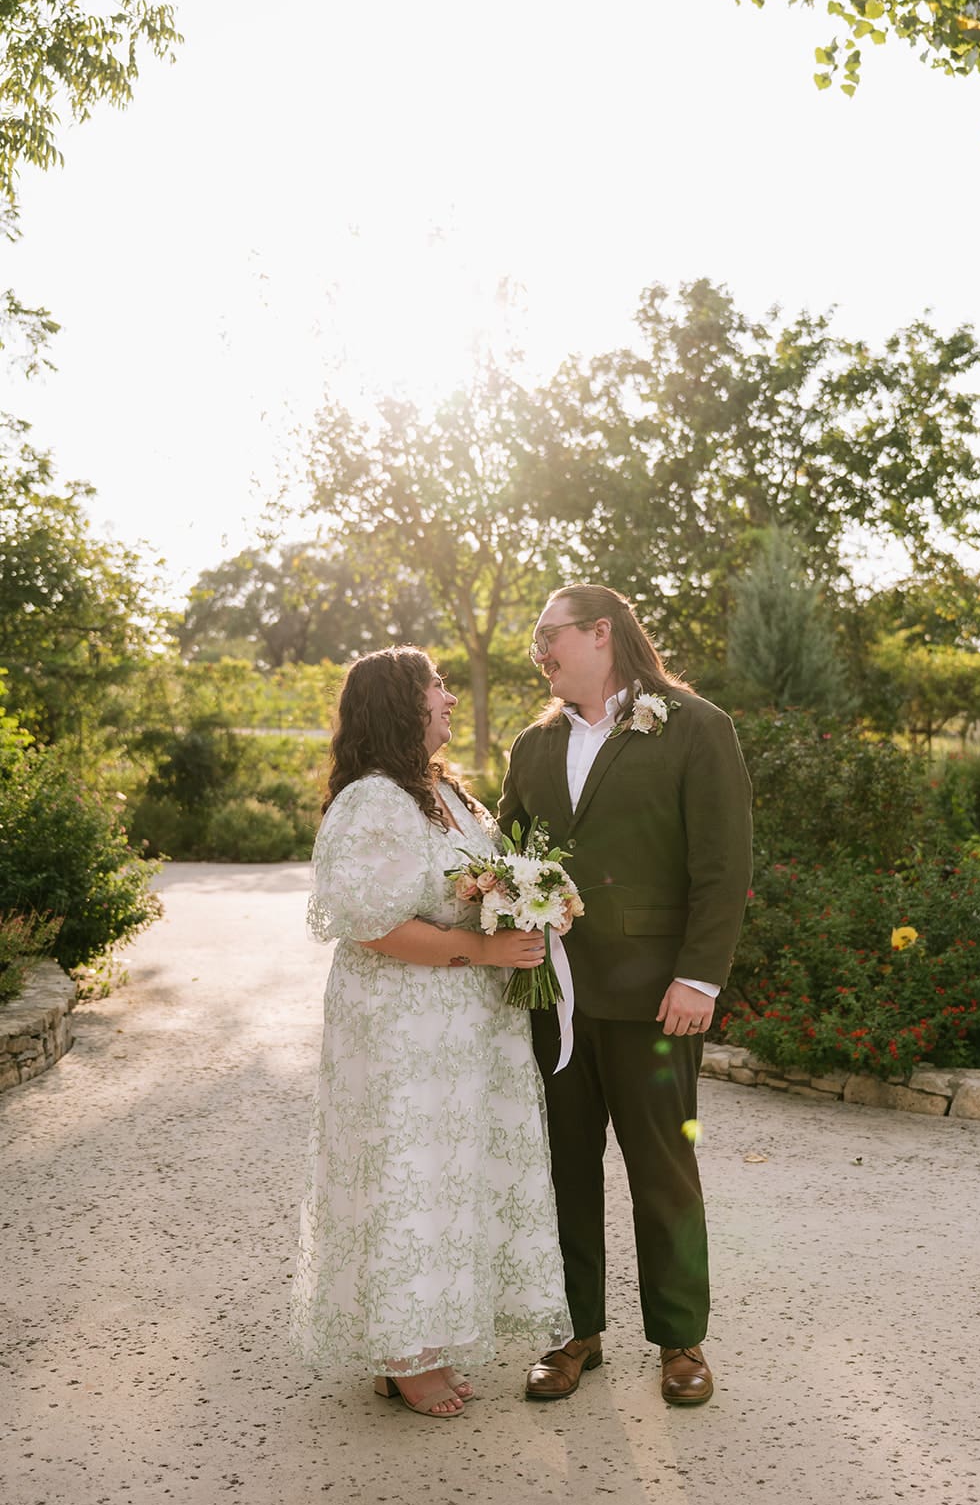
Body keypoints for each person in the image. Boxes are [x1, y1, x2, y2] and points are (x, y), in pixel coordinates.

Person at [290, 646, 572, 1418]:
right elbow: (368, 925)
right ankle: (402, 1353)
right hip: (402, 1031)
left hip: (467, 1028)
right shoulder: (374, 802)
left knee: (451, 1178)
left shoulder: (444, 791)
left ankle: (426, 1338)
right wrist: (483, 947)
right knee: (406, 1175)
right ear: (401, 705)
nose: (449, 697)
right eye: (437, 686)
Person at [498, 584, 752, 1407]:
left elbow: (723, 866)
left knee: (663, 1169)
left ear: (601, 633)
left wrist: (699, 975)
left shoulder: (697, 728)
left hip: (655, 996)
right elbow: (508, 860)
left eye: (549, 637)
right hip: (555, 997)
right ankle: (574, 1334)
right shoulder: (530, 746)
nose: (539, 653)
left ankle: (681, 1339)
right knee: (562, 1170)